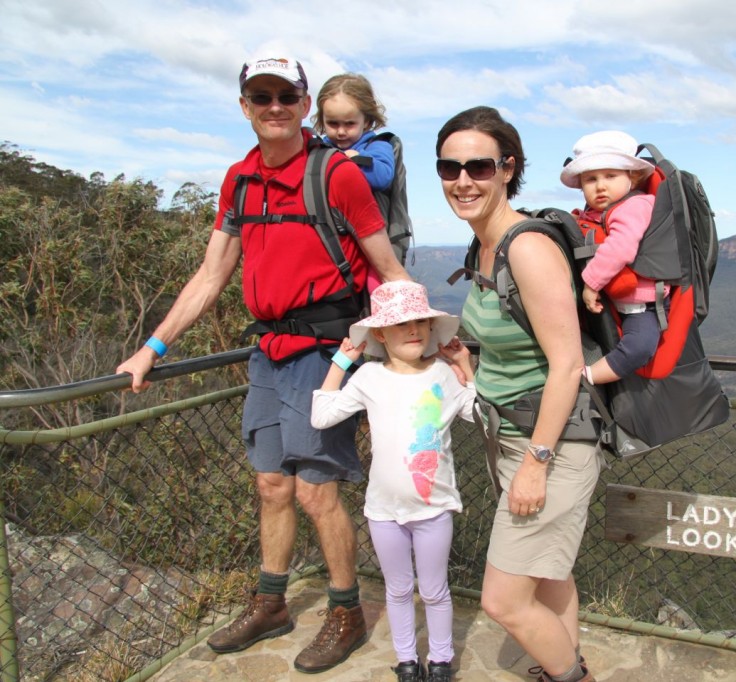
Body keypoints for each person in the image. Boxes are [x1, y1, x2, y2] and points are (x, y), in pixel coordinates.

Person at [116, 53, 409, 674]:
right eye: (261, 96)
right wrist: (154, 345)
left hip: (325, 354)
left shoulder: (336, 175)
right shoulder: (239, 180)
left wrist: (432, 346)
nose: (274, 107)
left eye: (285, 96)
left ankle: (345, 611)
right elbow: (211, 274)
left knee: (315, 492)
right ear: (245, 107)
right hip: (268, 352)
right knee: (270, 484)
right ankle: (271, 602)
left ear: (305, 106)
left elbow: (387, 268)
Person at [435, 106, 599, 682]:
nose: (463, 180)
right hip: (510, 434)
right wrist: (466, 361)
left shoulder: (525, 247)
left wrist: (536, 462)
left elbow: (567, 365)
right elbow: (509, 344)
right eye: (449, 167)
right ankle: (562, 663)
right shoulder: (481, 247)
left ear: (508, 169)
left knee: (503, 601)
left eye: (478, 166)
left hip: (549, 445)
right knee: (550, 578)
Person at [310, 280, 475, 682]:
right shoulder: (368, 377)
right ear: (381, 334)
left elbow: (479, 415)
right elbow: (322, 416)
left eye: (420, 321)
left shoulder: (442, 374)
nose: (415, 330)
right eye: (402, 324)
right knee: (398, 590)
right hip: (384, 510)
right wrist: (340, 363)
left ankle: (439, 661)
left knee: (435, 590)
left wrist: (465, 369)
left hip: (434, 507)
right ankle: (406, 660)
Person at [560, 130, 664, 385]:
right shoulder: (599, 212)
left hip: (641, 306)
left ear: (634, 176)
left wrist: (592, 283)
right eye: (591, 179)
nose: (600, 186)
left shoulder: (635, 206)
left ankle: (587, 379)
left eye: (610, 175)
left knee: (640, 347)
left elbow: (621, 246)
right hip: (616, 304)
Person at [312, 72, 395, 291]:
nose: (340, 131)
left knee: (376, 288)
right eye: (332, 123)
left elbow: (383, 176)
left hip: (371, 238)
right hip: (332, 238)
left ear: (366, 121)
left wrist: (351, 162)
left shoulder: (377, 146)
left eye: (349, 123)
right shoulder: (319, 149)